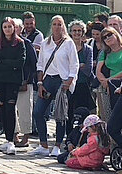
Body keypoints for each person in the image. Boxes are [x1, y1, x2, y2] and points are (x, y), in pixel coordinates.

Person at [30, 15, 79, 157]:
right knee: (38, 112)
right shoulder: (45, 43)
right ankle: (43, 144)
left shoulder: (68, 43)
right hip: (48, 80)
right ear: (51, 26)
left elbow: (74, 65)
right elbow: (40, 64)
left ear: (63, 26)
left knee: (60, 114)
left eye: (60, 24)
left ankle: (57, 145)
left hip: (62, 80)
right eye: (54, 24)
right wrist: (40, 83)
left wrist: (69, 82)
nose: (57, 27)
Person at [0, 17, 26, 155]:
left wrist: (3, 62)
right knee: (3, 108)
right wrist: (8, 64)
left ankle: (12, 140)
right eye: (5, 27)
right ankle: (7, 138)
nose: (7, 29)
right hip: (0, 80)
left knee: (10, 108)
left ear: (14, 28)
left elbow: (20, 63)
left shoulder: (19, 43)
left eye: (9, 27)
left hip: (13, 81)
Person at [13, 18, 37, 148]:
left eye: (16, 27)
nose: (14, 29)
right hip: (11, 81)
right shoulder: (6, 43)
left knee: (25, 109)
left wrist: (28, 79)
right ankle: (14, 133)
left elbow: (34, 63)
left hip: (25, 81)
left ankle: (26, 136)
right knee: (12, 109)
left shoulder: (27, 43)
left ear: (21, 29)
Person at [67, 20, 95, 127]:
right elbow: (65, 67)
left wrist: (74, 66)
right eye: (74, 31)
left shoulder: (88, 50)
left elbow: (88, 69)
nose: (77, 33)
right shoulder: (66, 47)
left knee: (82, 113)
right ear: (70, 32)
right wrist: (80, 65)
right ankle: (69, 138)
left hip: (83, 85)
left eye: (79, 30)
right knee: (68, 113)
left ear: (83, 32)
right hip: (69, 85)